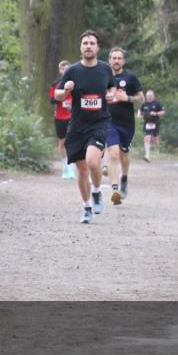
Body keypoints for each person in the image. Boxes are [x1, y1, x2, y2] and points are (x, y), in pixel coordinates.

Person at [55, 30, 117, 224]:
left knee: (92, 162)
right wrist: (65, 90)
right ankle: (87, 207)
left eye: (92, 43)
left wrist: (110, 95)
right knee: (81, 171)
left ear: (98, 47)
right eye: (85, 43)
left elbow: (112, 87)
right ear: (81, 48)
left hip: (99, 122)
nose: (88, 46)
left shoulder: (106, 69)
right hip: (77, 125)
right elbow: (57, 95)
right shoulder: (72, 71)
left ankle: (97, 191)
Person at [106, 47, 144, 205]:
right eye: (113, 58)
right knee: (113, 154)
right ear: (109, 60)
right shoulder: (103, 76)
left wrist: (126, 98)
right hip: (108, 121)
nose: (116, 61)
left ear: (123, 61)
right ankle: (115, 190)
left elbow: (141, 99)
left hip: (126, 123)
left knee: (123, 155)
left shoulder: (130, 77)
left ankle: (124, 178)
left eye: (119, 58)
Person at [49, 60, 76, 179]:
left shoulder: (76, 83)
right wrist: (62, 97)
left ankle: (72, 168)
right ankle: (65, 168)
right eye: (62, 68)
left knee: (72, 141)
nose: (65, 70)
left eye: (67, 68)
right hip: (60, 117)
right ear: (60, 71)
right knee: (62, 142)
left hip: (73, 116)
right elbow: (52, 100)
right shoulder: (56, 84)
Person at [138, 89, 165, 160]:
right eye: (147, 96)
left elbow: (163, 112)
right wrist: (139, 115)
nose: (149, 97)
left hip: (155, 122)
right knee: (147, 137)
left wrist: (156, 113)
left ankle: (156, 150)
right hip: (147, 122)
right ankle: (147, 153)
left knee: (155, 138)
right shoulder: (144, 103)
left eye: (150, 96)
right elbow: (140, 110)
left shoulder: (157, 103)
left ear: (153, 96)